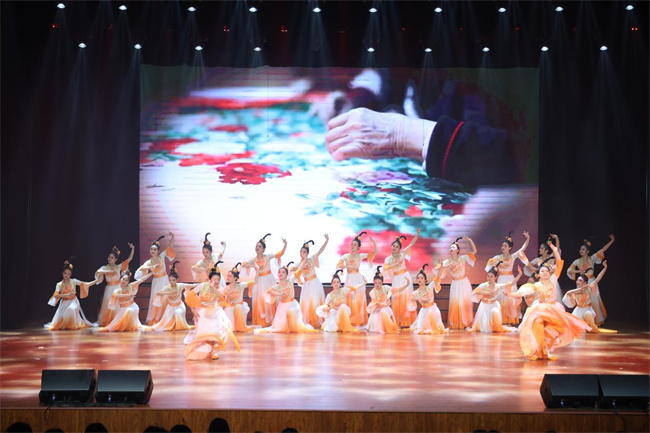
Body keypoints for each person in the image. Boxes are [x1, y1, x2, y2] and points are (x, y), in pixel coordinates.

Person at [507, 242, 591, 360]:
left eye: (547, 271)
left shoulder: (553, 279)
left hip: (553, 309)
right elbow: (523, 292)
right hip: (541, 310)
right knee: (538, 325)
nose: (545, 273)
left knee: (554, 330)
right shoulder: (536, 285)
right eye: (542, 271)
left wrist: (555, 250)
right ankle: (540, 351)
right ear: (538, 274)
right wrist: (511, 294)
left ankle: (545, 350)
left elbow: (559, 264)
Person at [184, 263, 239, 360]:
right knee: (205, 335)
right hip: (203, 313)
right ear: (210, 280)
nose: (217, 281)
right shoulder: (203, 286)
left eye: (218, 279)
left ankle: (215, 351)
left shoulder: (220, 289)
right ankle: (208, 349)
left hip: (215, 312)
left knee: (215, 332)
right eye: (215, 279)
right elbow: (190, 296)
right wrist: (193, 310)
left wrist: (214, 288)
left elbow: (222, 299)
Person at [566, 234, 615, 325]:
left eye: (583, 249)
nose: (581, 251)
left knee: (594, 300)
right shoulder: (577, 261)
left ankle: (595, 320)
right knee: (582, 300)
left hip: (591, 281)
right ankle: (582, 319)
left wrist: (612, 241)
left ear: (588, 251)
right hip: (582, 282)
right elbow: (569, 270)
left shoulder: (592, 258)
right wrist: (578, 271)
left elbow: (603, 249)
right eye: (580, 249)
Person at [255, 263, 317, 334]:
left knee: (292, 313)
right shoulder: (277, 286)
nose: (280, 273)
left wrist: (304, 261)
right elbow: (268, 291)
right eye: (279, 272)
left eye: (283, 272)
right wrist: (279, 294)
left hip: (293, 304)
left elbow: (299, 270)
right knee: (280, 326)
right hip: (283, 306)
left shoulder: (290, 280)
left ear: (287, 275)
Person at [241, 233, 287, 326]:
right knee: (260, 300)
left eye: (260, 246)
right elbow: (243, 264)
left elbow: (280, 254)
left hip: (269, 279)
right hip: (259, 281)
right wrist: (253, 265)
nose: (257, 248)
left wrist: (285, 244)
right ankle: (262, 321)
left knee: (270, 298)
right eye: (256, 246)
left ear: (263, 249)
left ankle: (272, 320)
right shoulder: (254, 259)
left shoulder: (267, 256)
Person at [485, 231, 530, 325]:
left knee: (510, 299)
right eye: (502, 245)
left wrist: (528, 238)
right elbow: (489, 265)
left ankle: (509, 320)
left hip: (510, 279)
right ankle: (501, 320)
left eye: (505, 246)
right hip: (501, 279)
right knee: (501, 299)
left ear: (509, 248)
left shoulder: (513, 256)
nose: (503, 247)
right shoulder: (497, 257)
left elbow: (522, 249)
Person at [337, 231, 377, 326]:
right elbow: (339, 265)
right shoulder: (346, 256)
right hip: (349, 279)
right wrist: (346, 267)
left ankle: (358, 319)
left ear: (358, 247)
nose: (352, 246)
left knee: (358, 298)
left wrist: (374, 242)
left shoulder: (360, 256)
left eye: (355, 245)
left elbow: (374, 253)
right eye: (352, 244)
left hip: (358, 279)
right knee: (348, 297)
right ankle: (348, 319)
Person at [45, 260, 99, 330]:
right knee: (61, 319)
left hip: (73, 301)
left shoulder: (73, 281)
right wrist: (67, 295)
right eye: (65, 273)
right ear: (62, 273)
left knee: (71, 309)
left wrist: (96, 280)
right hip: (64, 303)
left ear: (70, 275)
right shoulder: (59, 284)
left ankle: (72, 325)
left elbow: (86, 284)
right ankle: (66, 325)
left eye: (68, 274)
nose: (66, 275)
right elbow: (56, 295)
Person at [135, 233, 176, 325]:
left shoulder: (161, 256)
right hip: (156, 281)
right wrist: (150, 267)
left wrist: (173, 237)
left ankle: (166, 318)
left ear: (158, 251)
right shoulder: (149, 262)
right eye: (151, 249)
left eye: (154, 249)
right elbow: (141, 269)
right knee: (156, 298)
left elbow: (170, 247)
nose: (152, 251)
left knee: (165, 297)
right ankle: (156, 318)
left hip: (164, 280)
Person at [382, 229, 420, 327]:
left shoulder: (402, 254)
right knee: (397, 297)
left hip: (404, 277)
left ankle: (407, 321)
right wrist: (394, 265)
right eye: (393, 246)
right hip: (396, 278)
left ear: (399, 249)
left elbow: (411, 244)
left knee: (406, 297)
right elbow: (385, 269)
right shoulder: (388, 259)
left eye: (397, 247)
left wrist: (417, 235)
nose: (394, 248)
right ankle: (398, 321)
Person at [469, 263, 521, 333]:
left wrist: (519, 274)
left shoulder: (498, 286)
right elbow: (477, 291)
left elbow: (511, 284)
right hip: (484, 306)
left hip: (493, 305)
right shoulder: (484, 285)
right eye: (488, 276)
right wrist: (487, 293)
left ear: (495, 277)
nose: (489, 278)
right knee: (485, 328)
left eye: (491, 277)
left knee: (495, 312)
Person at [439, 236, 477, 329]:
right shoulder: (448, 261)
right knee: (455, 302)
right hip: (455, 284)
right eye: (450, 247)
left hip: (463, 283)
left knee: (464, 302)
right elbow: (440, 271)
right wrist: (442, 265)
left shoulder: (463, 258)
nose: (451, 248)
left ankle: (466, 323)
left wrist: (470, 240)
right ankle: (456, 322)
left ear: (458, 250)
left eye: (453, 247)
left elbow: (474, 251)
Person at [94, 243, 134, 326]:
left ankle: (117, 321)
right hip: (109, 288)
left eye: (112, 257)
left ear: (116, 259)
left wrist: (132, 248)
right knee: (108, 305)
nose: (110, 259)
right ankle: (108, 321)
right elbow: (98, 272)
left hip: (117, 288)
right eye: (109, 257)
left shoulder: (118, 267)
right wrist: (109, 271)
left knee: (117, 305)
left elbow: (129, 259)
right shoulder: (105, 267)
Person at [293, 234, 329, 327]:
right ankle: (308, 320)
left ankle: (316, 320)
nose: (302, 253)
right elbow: (292, 269)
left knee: (314, 301)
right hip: (306, 285)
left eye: (304, 251)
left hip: (314, 283)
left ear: (307, 253)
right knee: (306, 303)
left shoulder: (312, 258)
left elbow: (321, 250)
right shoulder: (299, 263)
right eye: (301, 251)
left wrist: (326, 240)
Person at [150, 261, 197, 332]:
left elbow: (192, 285)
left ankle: (179, 327)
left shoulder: (180, 286)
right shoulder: (168, 287)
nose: (171, 282)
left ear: (177, 280)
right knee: (164, 325)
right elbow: (158, 293)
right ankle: (172, 326)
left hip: (179, 306)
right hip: (170, 307)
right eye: (170, 280)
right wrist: (169, 293)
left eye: (173, 280)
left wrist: (203, 284)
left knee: (177, 312)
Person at [563, 261, 609, 333]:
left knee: (588, 314)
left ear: (585, 282)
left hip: (588, 309)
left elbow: (598, 278)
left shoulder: (589, 288)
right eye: (577, 280)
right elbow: (568, 293)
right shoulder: (575, 291)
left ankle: (590, 326)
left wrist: (605, 267)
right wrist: (579, 289)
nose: (578, 282)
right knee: (578, 330)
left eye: (580, 280)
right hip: (578, 311)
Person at [366, 266, 409, 334]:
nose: (377, 285)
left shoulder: (385, 288)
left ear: (382, 282)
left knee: (384, 311)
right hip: (378, 309)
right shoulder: (372, 292)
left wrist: (407, 284)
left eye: (379, 283)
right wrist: (386, 304)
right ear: (373, 282)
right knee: (383, 311)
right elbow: (377, 305)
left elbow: (398, 290)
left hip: (385, 308)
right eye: (376, 283)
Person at [408, 264, 448, 335]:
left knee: (432, 316)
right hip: (424, 311)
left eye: (421, 278)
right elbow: (411, 299)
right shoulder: (416, 292)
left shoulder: (430, 287)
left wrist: (441, 266)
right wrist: (419, 298)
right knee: (422, 329)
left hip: (433, 309)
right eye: (418, 278)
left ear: (425, 280)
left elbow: (438, 277)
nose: (419, 280)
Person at [524, 234, 562, 302]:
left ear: (546, 250)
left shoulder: (551, 257)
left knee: (552, 299)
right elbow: (528, 265)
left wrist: (556, 238)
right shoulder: (538, 259)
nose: (539, 249)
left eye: (541, 248)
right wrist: (537, 270)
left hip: (551, 280)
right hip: (542, 281)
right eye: (540, 248)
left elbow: (557, 249)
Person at [222, 263, 257, 332]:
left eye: (230, 276)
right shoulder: (226, 288)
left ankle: (240, 326)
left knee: (237, 307)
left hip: (239, 307)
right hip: (230, 307)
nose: (228, 277)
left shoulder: (241, 286)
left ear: (235, 278)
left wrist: (257, 271)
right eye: (227, 276)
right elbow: (225, 300)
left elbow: (254, 282)